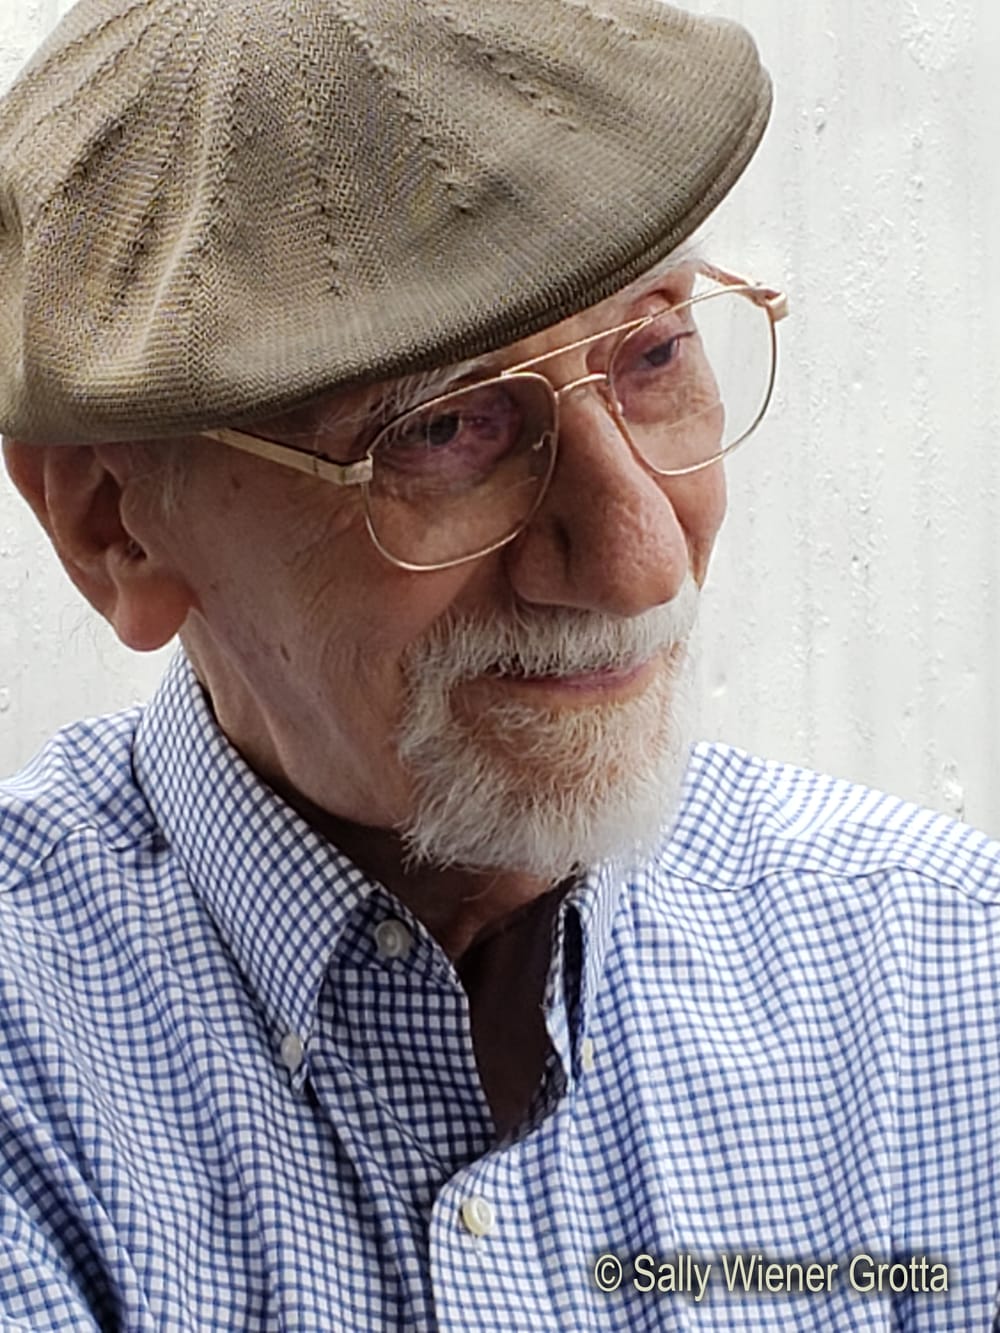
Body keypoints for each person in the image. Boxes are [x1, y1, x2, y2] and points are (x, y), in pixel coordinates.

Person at [0, 0, 997, 1328]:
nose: (644, 560)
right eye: (446, 426)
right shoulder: (34, 1084)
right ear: (111, 523)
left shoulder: (942, 979)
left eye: (653, 353)